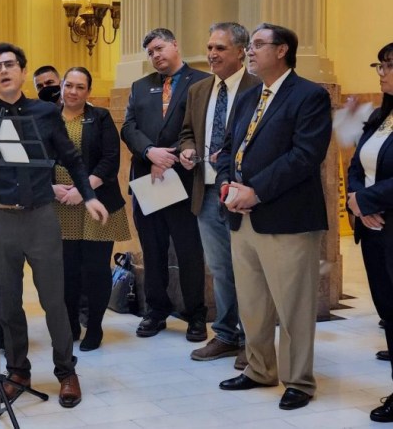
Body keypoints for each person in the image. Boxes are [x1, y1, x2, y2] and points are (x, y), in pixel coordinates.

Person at [0, 42, 109, 409]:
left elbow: (71, 158)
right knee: (6, 302)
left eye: (10, 64)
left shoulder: (44, 113)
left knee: (53, 300)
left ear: (23, 72)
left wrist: (88, 195)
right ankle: (17, 370)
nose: (4, 70)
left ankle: (65, 370)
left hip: (40, 217)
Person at [217, 23, 332, 411]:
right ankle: (259, 368)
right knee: (252, 303)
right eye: (249, 45)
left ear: (282, 50)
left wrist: (256, 191)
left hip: (287, 218)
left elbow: (304, 155)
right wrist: (226, 185)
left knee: (293, 307)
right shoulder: (250, 96)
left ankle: (298, 379)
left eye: (258, 45)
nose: (250, 51)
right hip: (242, 217)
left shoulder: (309, 95)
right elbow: (230, 147)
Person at [178, 23, 259, 368]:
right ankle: (226, 335)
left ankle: (254, 341)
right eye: (210, 47)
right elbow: (186, 132)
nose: (212, 54)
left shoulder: (259, 88)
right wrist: (187, 148)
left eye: (220, 48)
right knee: (221, 268)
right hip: (207, 191)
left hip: (245, 193)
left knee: (251, 270)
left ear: (241, 51)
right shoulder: (198, 90)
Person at [120, 27, 209, 341]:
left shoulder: (202, 82)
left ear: (175, 45)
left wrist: (172, 155)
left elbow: (204, 127)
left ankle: (196, 316)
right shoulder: (140, 86)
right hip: (147, 178)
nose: (155, 56)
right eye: (150, 53)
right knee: (152, 250)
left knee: (189, 252)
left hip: (183, 179)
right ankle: (155, 311)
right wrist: (150, 152)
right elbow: (129, 127)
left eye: (159, 48)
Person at [53, 67, 131, 352]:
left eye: (80, 87)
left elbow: (111, 159)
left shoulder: (99, 117)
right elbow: (37, 158)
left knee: (95, 270)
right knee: (67, 271)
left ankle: (95, 326)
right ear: (61, 86)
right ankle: (71, 323)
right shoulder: (47, 117)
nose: (73, 92)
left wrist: (84, 190)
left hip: (97, 203)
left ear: (88, 91)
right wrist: (54, 188)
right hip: (60, 205)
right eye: (69, 85)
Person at [347, 44, 393, 423]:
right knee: (389, 311)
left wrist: (367, 199)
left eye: (389, 66)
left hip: (385, 217)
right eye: (379, 65)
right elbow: (356, 163)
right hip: (374, 226)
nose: (381, 72)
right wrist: (356, 199)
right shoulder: (381, 115)